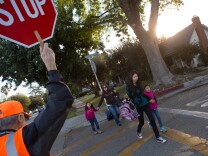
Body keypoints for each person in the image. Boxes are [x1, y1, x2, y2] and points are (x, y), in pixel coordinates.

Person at [0, 43, 74, 156]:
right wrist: (51, 66)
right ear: (20, 118)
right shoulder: (23, 140)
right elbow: (60, 100)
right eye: (24, 117)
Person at [126, 70, 166, 143]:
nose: (136, 78)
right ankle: (138, 131)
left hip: (145, 104)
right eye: (134, 76)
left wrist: (149, 99)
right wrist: (130, 104)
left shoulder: (139, 84)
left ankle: (158, 137)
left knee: (152, 120)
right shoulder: (128, 87)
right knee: (141, 122)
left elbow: (143, 94)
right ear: (131, 77)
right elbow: (130, 98)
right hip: (138, 107)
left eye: (137, 76)